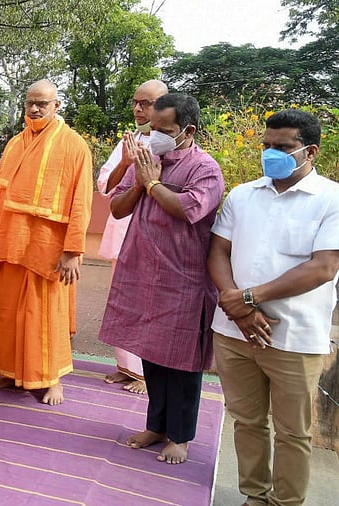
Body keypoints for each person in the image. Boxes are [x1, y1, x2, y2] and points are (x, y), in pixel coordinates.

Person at [208, 109, 339, 505]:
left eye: (282, 147)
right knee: (246, 422)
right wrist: (241, 309)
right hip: (234, 332)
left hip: (294, 337)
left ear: (310, 151)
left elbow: (324, 266)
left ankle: (286, 503)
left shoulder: (331, 199)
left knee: (293, 433)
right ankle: (254, 496)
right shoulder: (243, 194)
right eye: (266, 145)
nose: (270, 154)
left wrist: (249, 298)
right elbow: (218, 251)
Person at [98, 93, 224, 464]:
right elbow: (118, 209)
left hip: (184, 281)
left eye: (163, 130)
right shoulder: (147, 159)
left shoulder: (205, 168)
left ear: (188, 130)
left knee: (182, 363)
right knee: (152, 356)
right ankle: (156, 425)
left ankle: (180, 437)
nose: (154, 136)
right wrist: (139, 182)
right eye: (152, 129)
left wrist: (153, 186)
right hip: (143, 274)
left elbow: (188, 209)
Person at [0, 79, 93, 405]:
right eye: (30, 102)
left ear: (57, 105)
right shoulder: (15, 143)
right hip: (12, 242)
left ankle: (53, 379)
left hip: (49, 247)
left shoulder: (74, 145)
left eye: (42, 103)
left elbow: (81, 202)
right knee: (9, 311)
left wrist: (73, 251)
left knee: (46, 315)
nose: (34, 109)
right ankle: (12, 370)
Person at [97, 79, 169, 395]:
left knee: (148, 304)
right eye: (136, 102)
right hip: (123, 229)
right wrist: (126, 161)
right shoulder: (130, 139)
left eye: (147, 103)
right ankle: (127, 367)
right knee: (123, 301)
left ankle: (146, 374)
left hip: (154, 236)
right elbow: (106, 185)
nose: (139, 108)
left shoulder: (171, 141)